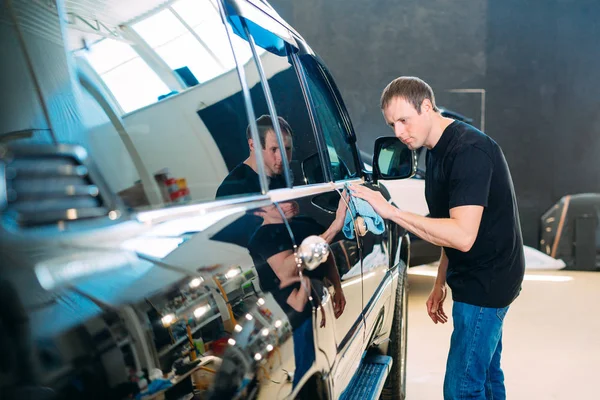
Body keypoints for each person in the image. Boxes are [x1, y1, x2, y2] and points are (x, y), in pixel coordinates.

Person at [350, 77, 525, 400]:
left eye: (404, 120)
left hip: (488, 281)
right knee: (485, 374)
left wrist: (391, 212)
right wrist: (439, 281)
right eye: (392, 124)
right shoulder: (437, 151)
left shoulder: (470, 151)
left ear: (427, 107)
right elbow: (447, 224)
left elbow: (462, 235)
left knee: (461, 388)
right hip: (477, 274)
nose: (399, 132)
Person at [215, 115, 293, 198]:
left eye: (287, 148)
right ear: (253, 145)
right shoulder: (232, 189)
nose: (282, 158)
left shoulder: (283, 178)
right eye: (274, 149)